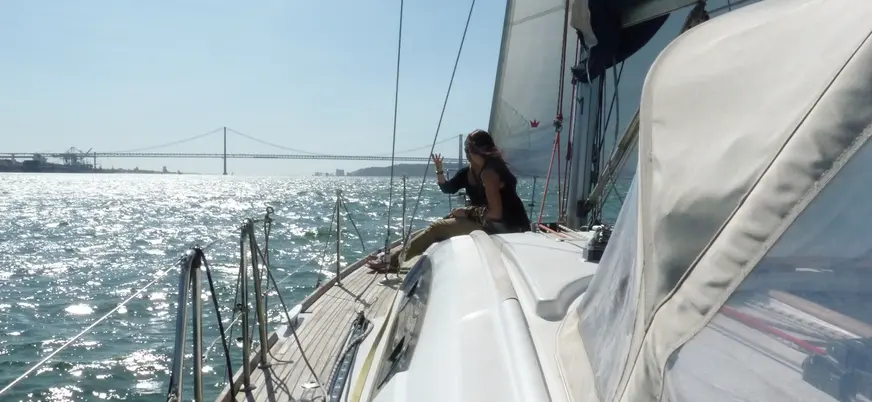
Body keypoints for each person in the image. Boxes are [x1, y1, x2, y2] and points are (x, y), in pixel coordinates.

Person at [370, 129, 531, 272]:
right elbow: (448, 188)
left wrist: (467, 211)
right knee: (447, 221)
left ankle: (392, 262)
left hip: (506, 229)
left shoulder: (488, 173)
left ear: (470, 152)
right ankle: (397, 256)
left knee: (436, 228)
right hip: (515, 225)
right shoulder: (490, 167)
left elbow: (496, 213)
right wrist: (440, 170)